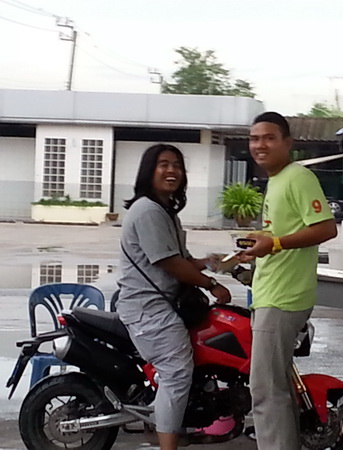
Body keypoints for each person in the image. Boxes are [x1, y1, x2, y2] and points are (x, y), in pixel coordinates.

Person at [116, 144, 231, 450]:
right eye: (163, 164)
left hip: (158, 305)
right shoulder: (148, 210)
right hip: (150, 309)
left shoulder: (164, 211)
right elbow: (169, 263)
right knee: (177, 373)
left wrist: (210, 262)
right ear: (149, 171)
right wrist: (210, 284)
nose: (172, 170)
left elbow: (180, 259)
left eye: (177, 165)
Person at [240, 112, 337, 449]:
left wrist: (276, 243)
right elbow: (282, 234)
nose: (260, 145)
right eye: (254, 139)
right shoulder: (277, 180)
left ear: (287, 143)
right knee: (273, 387)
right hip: (270, 293)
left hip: (283, 298)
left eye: (269, 138)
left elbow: (326, 228)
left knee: (266, 390)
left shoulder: (298, 177)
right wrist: (262, 243)